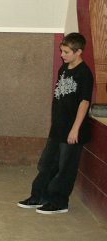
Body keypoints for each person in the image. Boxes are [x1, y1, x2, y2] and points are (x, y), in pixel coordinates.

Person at [17, 32, 94, 214]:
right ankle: (39, 196)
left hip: (72, 131)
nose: (62, 55)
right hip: (57, 129)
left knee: (65, 168)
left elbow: (84, 102)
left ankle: (59, 202)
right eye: (61, 51)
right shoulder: (63, 69)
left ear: (79, 52)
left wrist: (75, 130)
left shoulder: (85, 74)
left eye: (66, 52)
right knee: (46, 164)